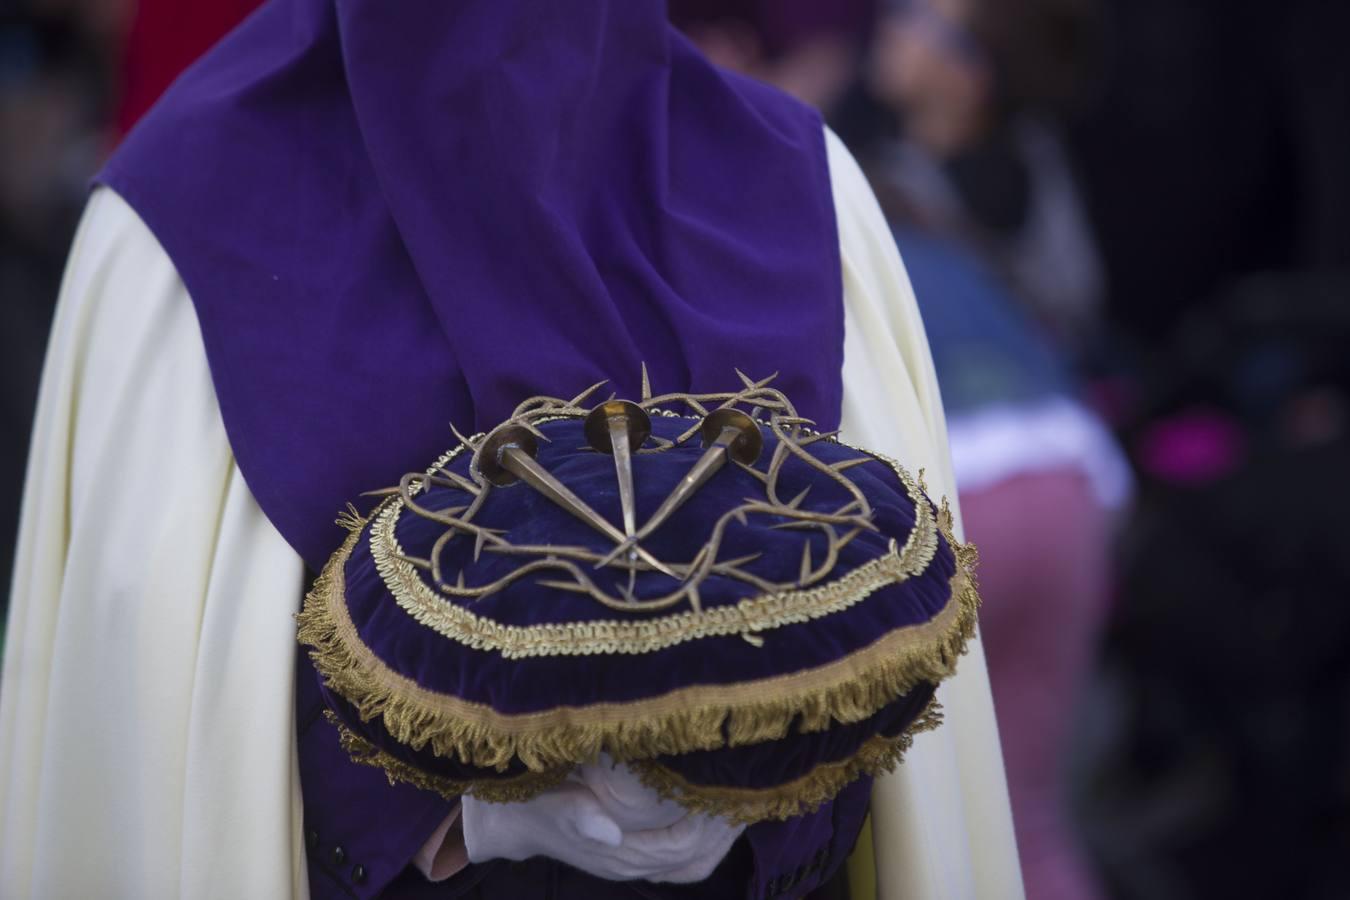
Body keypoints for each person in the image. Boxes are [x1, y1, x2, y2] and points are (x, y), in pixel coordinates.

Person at [0, 1, 1021, 896]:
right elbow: (151, 728)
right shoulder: (183, 214)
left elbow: (903, 712)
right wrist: (449, 823)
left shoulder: (794, 186)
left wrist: (767, 798)